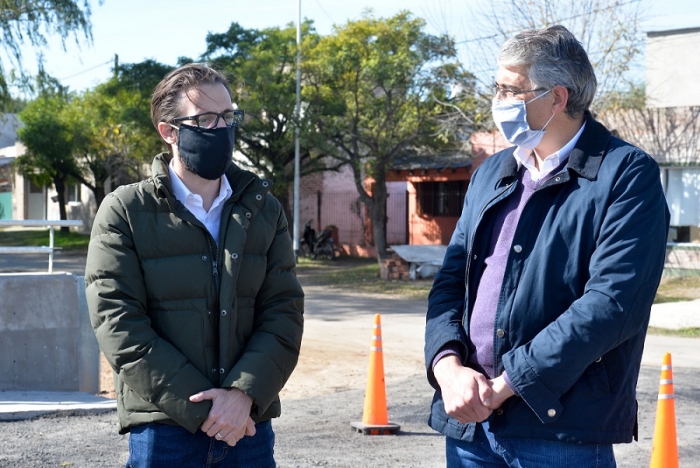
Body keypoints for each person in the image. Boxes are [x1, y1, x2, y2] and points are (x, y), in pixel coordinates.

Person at [424, 25, 669, 467]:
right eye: (495, 87)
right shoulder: (492, 172)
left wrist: (507, 385)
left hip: (558, 430)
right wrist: (447, 369)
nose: (498, 101)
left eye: (510, 89)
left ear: (556, 98)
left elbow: (613, 304)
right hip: (469, 424)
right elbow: (449, 285)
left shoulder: (626, 175)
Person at [85, 62, 304, 467]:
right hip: (167, 430)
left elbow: (283, 312)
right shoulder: (125, 211)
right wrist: (205, 408)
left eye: (228, 117)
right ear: (169, 131)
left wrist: (242, 395)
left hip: (246, 429)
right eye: (205, 119)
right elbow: (118, 323)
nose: (221, 129)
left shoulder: (264, 208)